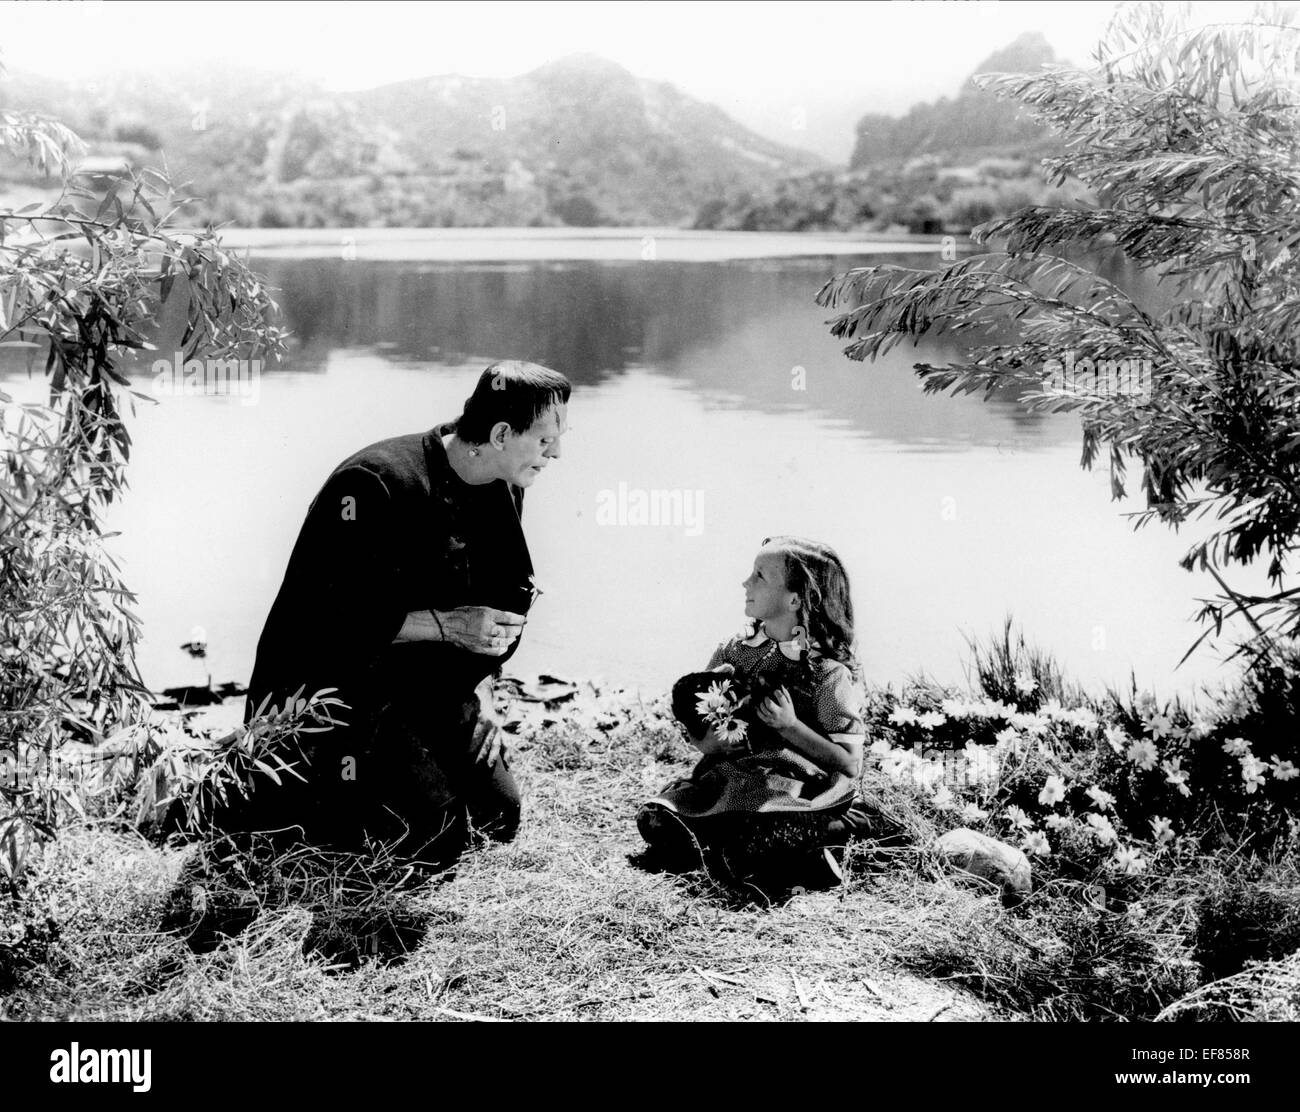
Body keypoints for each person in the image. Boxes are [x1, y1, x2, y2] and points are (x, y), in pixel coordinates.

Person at [226, 360, 569, 868]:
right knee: (433, 837)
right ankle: (291, 784)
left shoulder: (505, 482)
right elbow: (328, 619)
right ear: (500, 433)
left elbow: (492, 605)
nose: (557, 453)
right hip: (335, 689)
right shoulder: (375, 483)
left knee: (500, 817)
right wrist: (446, 625)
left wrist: (482, 692)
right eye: (546, 440)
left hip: (426, 687)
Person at [637, 536, 879, 889]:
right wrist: (707, 744)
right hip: (730, 784)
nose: (745, 582)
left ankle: (837, 833)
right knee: (655, 819)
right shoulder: (733, 651)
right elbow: (698, 724)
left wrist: (790, 726)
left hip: (791, 793)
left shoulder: (827, 673)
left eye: (760, 576)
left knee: (764, 835)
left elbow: (849, 764)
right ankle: (765, 853)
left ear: (795, 599)